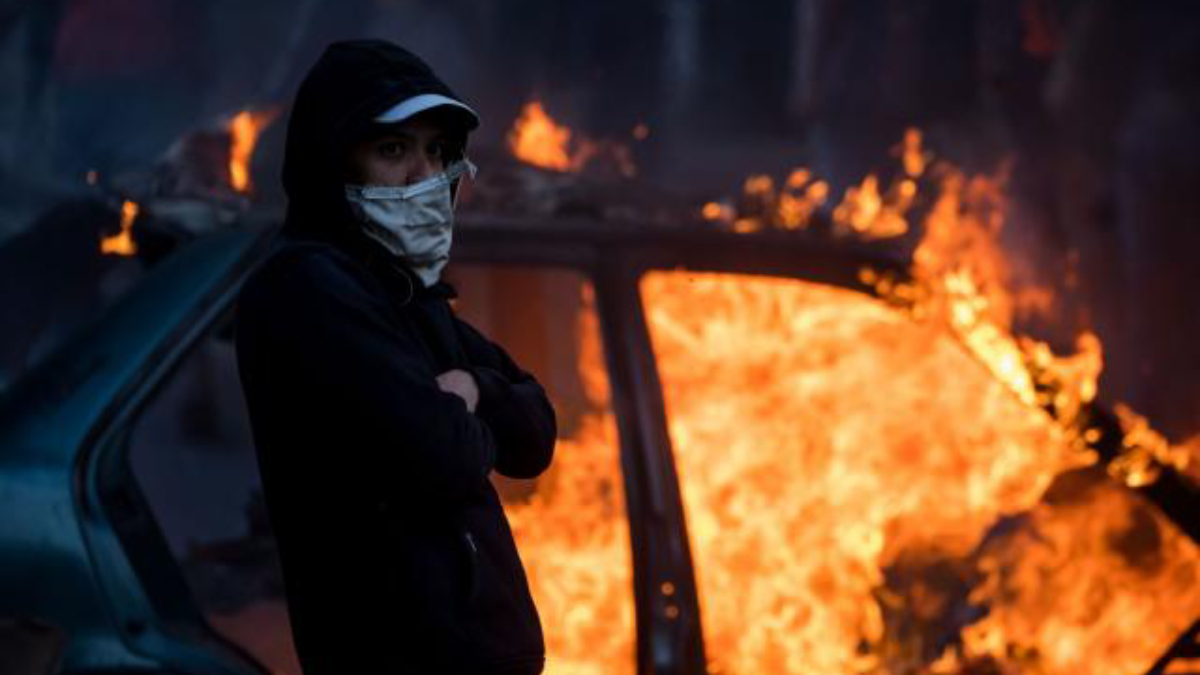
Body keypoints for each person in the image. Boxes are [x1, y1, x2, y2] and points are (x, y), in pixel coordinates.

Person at [235, 40, 556, 675]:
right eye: (392, 150)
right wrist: (470, 417)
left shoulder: (405, 294)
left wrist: (474, 389)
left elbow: (535, 436)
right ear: (335, 161)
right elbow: (444, 452)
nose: (421, 175)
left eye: (436, 151)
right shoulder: (311, 288)